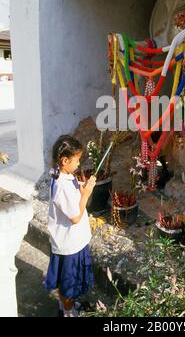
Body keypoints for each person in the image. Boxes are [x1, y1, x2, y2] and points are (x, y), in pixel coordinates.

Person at [44, 135, 96, 317]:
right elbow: (75, 217)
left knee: (68, 282)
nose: (78, 164)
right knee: (68, 283)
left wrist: (81, 187)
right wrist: (86, 194)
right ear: (64, 160)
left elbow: (72, 195)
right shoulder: (61, 187)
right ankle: (68, 312)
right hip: (69, 245)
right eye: (77, 160)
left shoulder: (62, 175)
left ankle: (65, 306)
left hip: (71, 242)